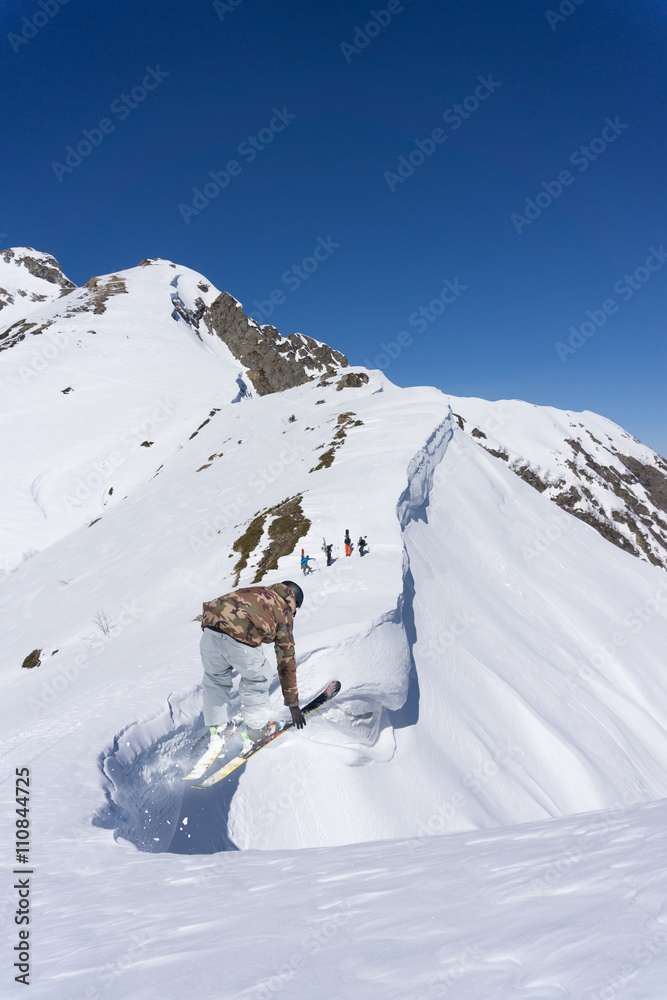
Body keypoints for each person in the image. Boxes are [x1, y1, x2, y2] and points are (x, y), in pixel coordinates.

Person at [199, 581, 306, 747]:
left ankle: (219, 729)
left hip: (210, 632)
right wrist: (293, 704)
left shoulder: (260, 592)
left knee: (215, 680)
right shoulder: (283, 609)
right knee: (258, 680)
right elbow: (286, 658)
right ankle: (257, 731)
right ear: (295, 602)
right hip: (239, 635)